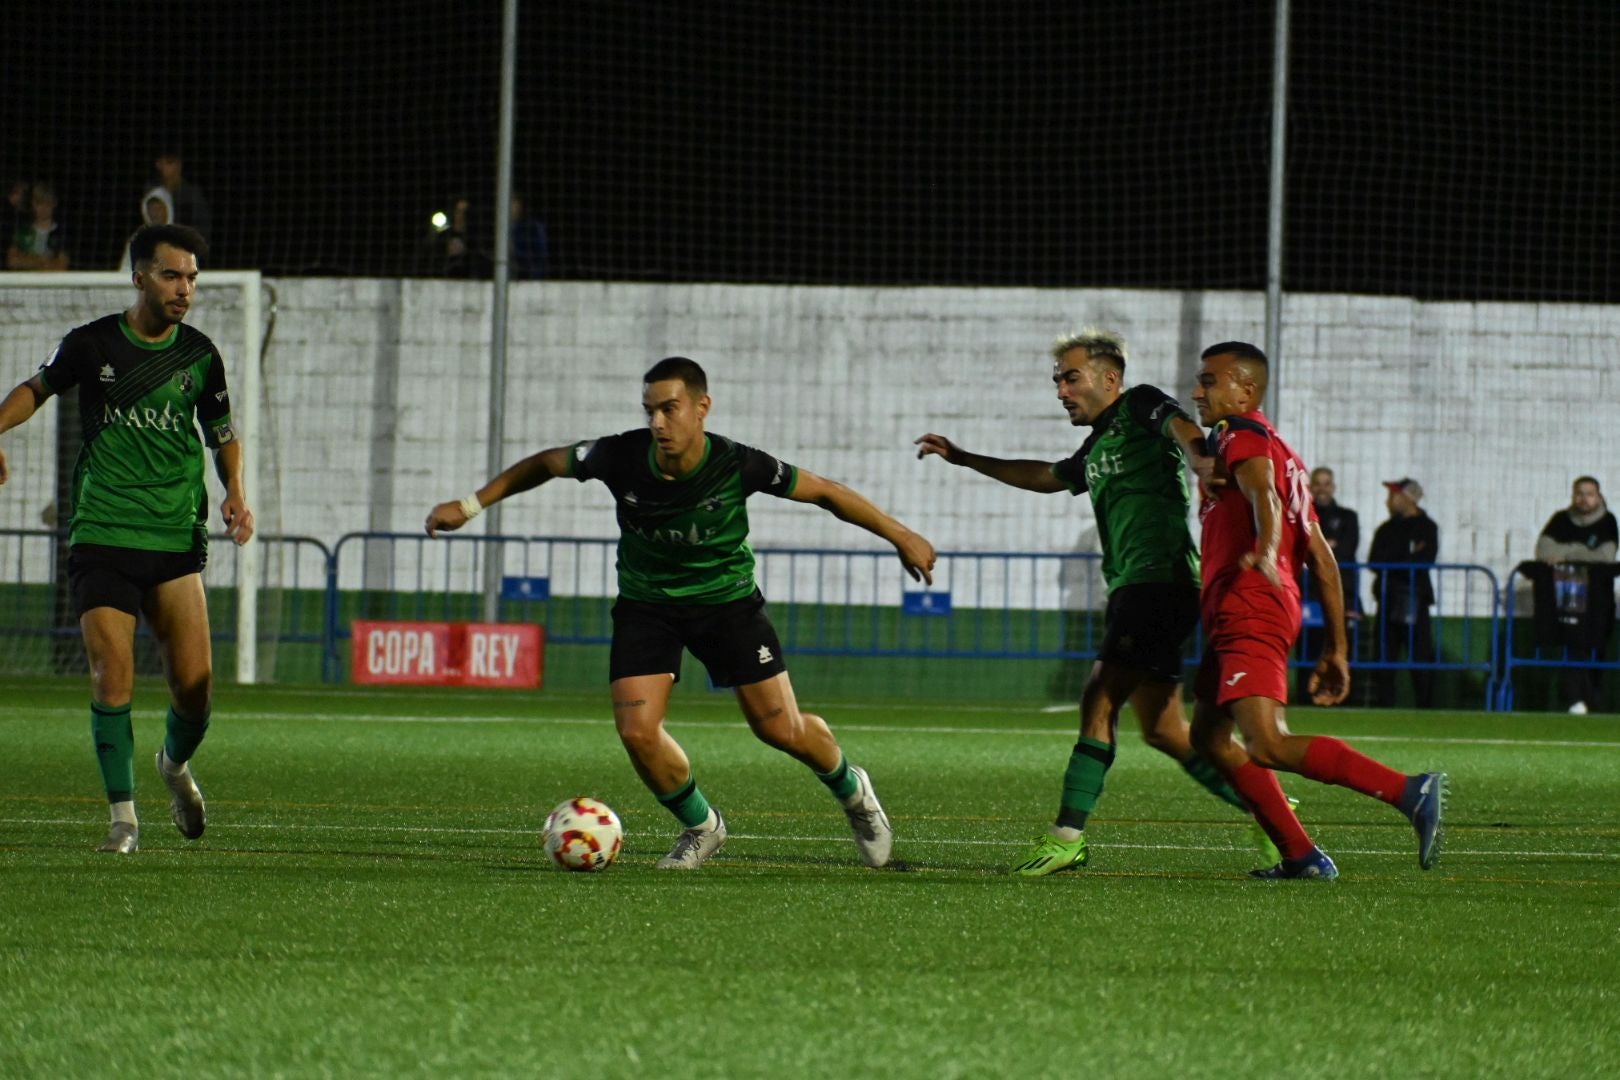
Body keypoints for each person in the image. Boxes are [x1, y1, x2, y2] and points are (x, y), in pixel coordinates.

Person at [424, 357, 935, 870]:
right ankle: (702, 827)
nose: (658, 423)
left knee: (781, 730)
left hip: (727, 605)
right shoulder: (619, 455)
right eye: (650, 411)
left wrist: (903, 535)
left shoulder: (737, 464)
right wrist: (471, 506)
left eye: (669, 409)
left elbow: (825, 492)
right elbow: (546, 462)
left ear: (701, 407)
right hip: (648, 606)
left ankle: (854, 793)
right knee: (637, 731)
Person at [916, 328, 1285, 878]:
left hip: (1156, 582)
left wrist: (1201, 457)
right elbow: (1046, 476)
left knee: (1098, 701)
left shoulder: (1137, 404)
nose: (1061, 390)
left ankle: (1067, 836)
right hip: (1138, 587)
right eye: (1058, 380)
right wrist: (966, 458)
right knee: (1163, 729)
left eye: (1071, 377)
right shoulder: (1099, 442)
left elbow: (1180, 424)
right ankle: (1273, 816)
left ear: (1109, 379)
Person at [0, 223, 254, 853]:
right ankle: (123, 817)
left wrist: (235, 491)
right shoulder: (90, 345)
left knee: (194, 690)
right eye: (172, 275)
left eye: (192, 277)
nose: (184, 289)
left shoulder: (199, 354)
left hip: (173, 537)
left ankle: (173, 766)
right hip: (104, 530)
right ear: (139, 276)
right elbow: (35, 390)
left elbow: (222, 433)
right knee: (109, 673)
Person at [1186, 341, 1446, 879]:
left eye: (1209, 381)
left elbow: (1266, 501)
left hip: (1249, 603)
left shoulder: (1243, 437)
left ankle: (1408, 791)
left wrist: (1263, 543)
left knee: (1266, 743)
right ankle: (1300, 855)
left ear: (1245, 389)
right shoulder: (1285, 455)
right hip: (1251, 605)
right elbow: (1324, 560)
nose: (1197, 391)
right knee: (1209, 737)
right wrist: (1337, 648)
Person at [1533, 476, 1618, 714]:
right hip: (1566, 600)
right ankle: (1574, 700)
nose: (1584, 498)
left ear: (1599, 496)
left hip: (1598, 600)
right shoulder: (1560, 519)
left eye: (1589, 494)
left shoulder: (1608, 521)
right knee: (1571, 647)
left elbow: (1606, 555)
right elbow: (1543, 549)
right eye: (1579, 493)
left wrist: (1568, 553)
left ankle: (1593, 700)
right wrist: (1582, 552)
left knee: (1597, 648)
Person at [1367, 477, 1439, 708]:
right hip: (1388, 598)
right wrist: (1406, 558)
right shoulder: (1386, 529)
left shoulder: (1427, 527)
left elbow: (1424, 560)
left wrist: (1396, 561)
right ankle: (1384, 707)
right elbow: (1375, 561)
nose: (1389, 501)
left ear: (1408, 498)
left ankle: (1425, 708)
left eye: (1393, 495)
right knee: (1383, 657)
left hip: (1414, 599)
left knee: (1420, 657)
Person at [1296, 466, 1361, 698]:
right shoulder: (1301, 514)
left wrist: (1318, 551)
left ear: (1333, 487)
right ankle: (1307, 696)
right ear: (1311, 487)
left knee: (1340, 642)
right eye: (1318, 483)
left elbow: (1344, 550)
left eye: (1326, 483)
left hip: (1341, 592)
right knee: (1308, 648)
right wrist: (1325, 547)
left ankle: (1341, 694)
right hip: (1308, 594)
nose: (1322, 488)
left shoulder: (1347, 517)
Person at [6, 180, 70, 270]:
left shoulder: (61, 233)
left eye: (48, 203)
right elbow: (12, 261)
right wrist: (41, 261)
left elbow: (61, 266)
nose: (44, 208)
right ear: (33, 204)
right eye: (39, 203)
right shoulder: (23, 231)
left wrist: (26, 259)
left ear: (54, 203)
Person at [154, 151, 213, 241]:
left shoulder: (192, 193)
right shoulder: (153, 191)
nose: (175, 167)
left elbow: (203, 225)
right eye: (168, 163)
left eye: (174, 163)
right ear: (158, 165)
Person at [119, 186, 175, 272]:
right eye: (151, 209)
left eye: (159, 208)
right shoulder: (137, 239)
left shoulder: (181, 238)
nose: (155, 213)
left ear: (167, 208)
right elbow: (125, 269)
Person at [509, 193, 549, 280]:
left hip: (527, 275)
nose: (514, 208)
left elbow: (539, 255)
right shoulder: (499, 227)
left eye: (516, 204)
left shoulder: (532, 227)